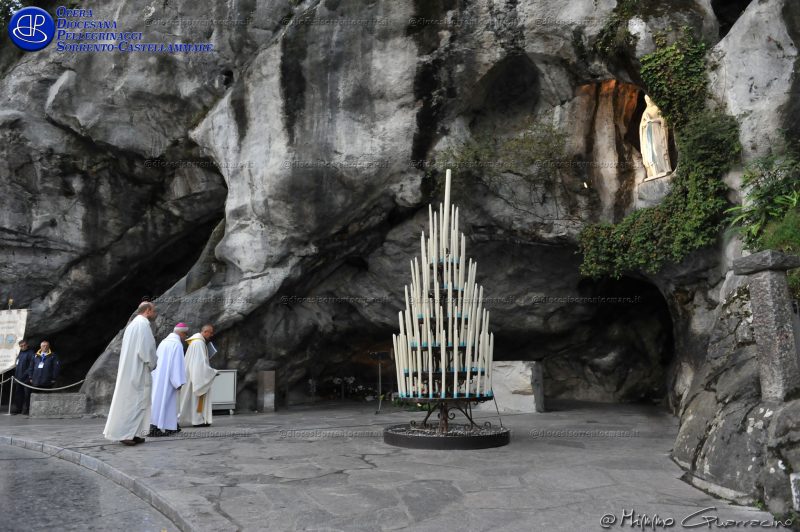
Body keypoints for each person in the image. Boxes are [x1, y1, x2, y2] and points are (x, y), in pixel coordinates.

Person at [103, 302, 158, 446]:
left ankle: (135, 433)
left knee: (135, 402)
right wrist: (153, 363)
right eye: (154, 311)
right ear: (147, 310)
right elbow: (147, 349)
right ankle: (125, 434)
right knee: (135, 402)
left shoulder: (132, 325)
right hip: (138, 370)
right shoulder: (143, 325)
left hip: (131, 369)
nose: (155, 314)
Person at [149, 323, 188, 437]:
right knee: (168, 402)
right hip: (169, 379)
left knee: (159, 401)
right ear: (181, 333)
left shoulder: (164, 342)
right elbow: (177, 365)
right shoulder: (177, 344)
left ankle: (170, 426)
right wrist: (178, 382)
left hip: (158, 377)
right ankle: (155, 428)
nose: (185, 337)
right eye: (185, 334)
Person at [179, 324, 218, 427]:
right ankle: (197, 421)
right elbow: (199, 364)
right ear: (205, 332)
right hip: (196, 375)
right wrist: (213, 372)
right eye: (210, 332)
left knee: (192, 399)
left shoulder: (197, 341)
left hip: (192, 373)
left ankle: (199, 420)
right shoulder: (199, 343)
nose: (212, 335)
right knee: (196, 398)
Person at [11, 340, 35, 415]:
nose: (23, 347)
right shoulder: (19, 353)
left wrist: (24, 375)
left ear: (27, 345)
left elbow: (31, 366)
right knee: (18, 394)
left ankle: (26, 410)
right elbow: (16, 365)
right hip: (18, 378)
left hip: (26, 378)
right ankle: (18, 409)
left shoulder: (31, 353)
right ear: (19, 346)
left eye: (24, 345)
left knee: (27, 394)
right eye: (21, 346)